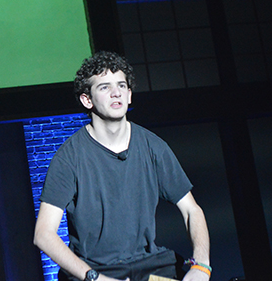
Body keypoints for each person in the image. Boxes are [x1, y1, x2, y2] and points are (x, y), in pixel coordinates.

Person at [34, 51, 211, 281]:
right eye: (104, 87)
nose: (116, 92)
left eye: (121, 86)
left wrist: (202, 266)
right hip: (96, 270)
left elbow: (191, 210)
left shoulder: (153, 146)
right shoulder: (69, 157)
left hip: (149, 265)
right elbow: (44, 235)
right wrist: (95, 278)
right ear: (87, 100)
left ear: (129, 95)